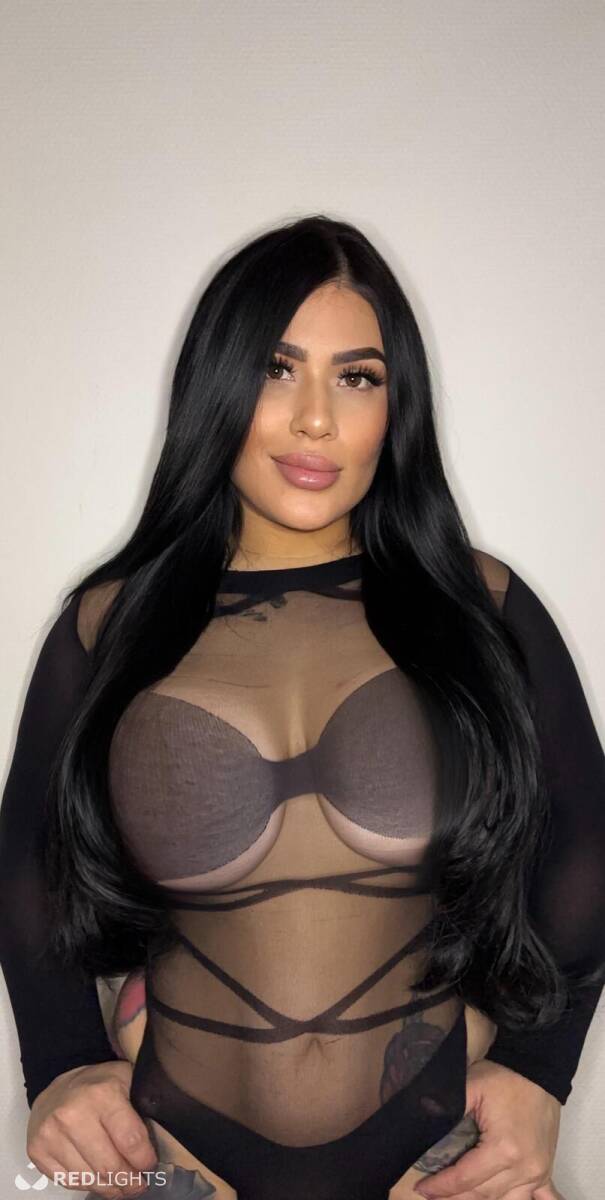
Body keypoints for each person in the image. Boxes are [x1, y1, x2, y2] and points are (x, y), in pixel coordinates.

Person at [1, 215, 604, 1200]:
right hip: (175, 1160)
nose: (316, 419)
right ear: (216, 385)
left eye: (357, 378)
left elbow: (585, 842)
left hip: (444, 1161)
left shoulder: (482, 608)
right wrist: (60, 1065)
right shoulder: (108, 626)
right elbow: (29, 860)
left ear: (395, 407)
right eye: (276, 370)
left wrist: (540, 1071)